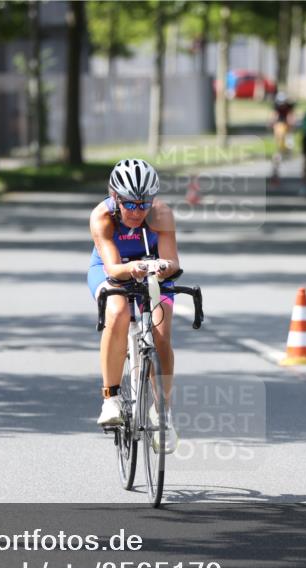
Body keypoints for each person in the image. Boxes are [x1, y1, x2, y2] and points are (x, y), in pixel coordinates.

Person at [88, 159, 180, 451]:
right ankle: (110, 399)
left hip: (153, 270)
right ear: (115, 197)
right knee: (117, 313)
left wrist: (160, 267)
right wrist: (135, 267)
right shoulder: (102, 216)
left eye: (144, 204)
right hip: (110, 268)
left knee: (161, 333)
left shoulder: (161, 214)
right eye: (130, 204)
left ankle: (162, 413)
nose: (137, 212)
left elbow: (173, 262)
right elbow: (114, 269)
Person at [270, 92, 295, 181]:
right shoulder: (276, 106)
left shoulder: (289, 106)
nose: (281, 106)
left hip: (286, 127)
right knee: (279, 148)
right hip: (280, 126)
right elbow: (274, 117)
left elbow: (290, 118)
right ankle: (276, 164)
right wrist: (271, 123)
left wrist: (291, 126)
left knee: (287, 145)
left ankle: (284, 154)